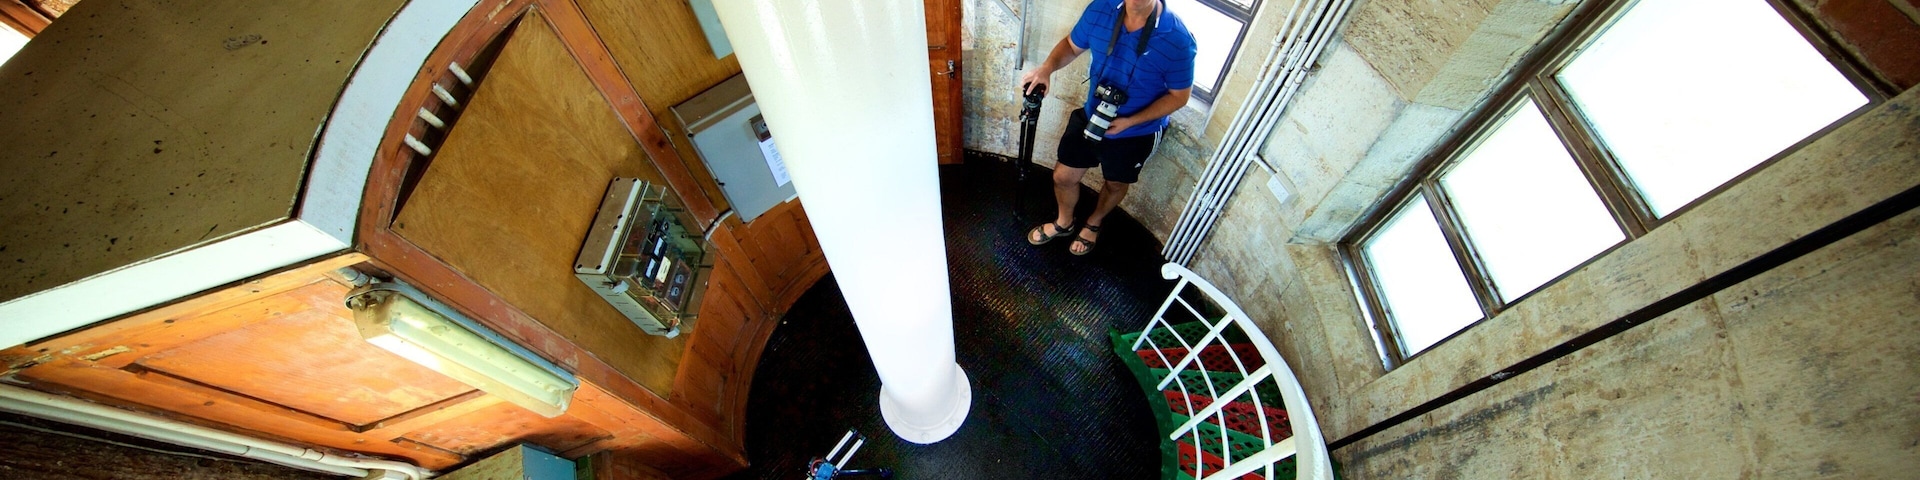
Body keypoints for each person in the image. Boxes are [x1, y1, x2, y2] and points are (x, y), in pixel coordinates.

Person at [1020, 0, 1195, 256]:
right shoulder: (1100, 8)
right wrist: (1047, 69)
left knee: (1114, 184)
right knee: (1063, 177)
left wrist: (1130, 121)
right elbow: (1071, 44)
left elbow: (1179, 96)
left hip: (1136, 132)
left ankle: (1094, 222)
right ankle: (1064, 222)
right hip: (1093, 116)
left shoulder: (1178, 39)